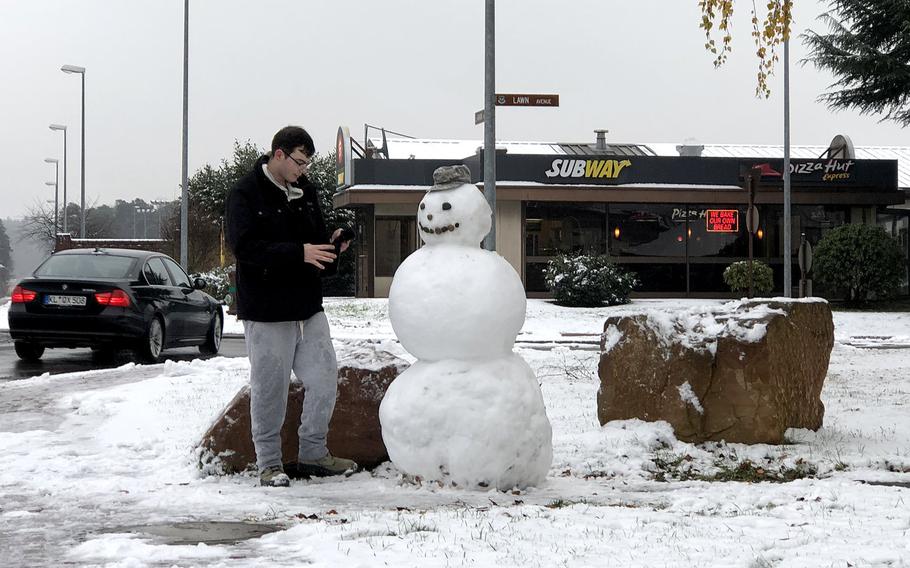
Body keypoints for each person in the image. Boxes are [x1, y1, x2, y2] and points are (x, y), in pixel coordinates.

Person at [225, 125, 357, 487]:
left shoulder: (307, 190)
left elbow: (313, 249)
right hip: (267, 311)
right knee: (270, 388)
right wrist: (298, 252)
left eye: (307, 164)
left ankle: (314, 453)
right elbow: (246, 248)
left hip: (308, 307)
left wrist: (332, 246)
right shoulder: (245, 194)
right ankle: (269, 463)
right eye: (299, 162)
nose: (303, 170)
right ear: (278, 154)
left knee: (325, 379)